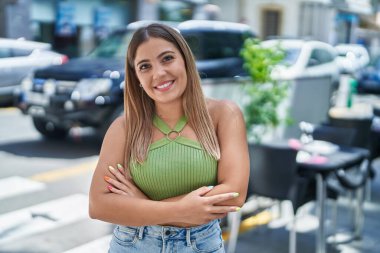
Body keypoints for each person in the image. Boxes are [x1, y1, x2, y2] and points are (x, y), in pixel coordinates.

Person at [89, 23, 249, 253]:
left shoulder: (224, 114)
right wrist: (181, 210)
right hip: (133, 244)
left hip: (201, 245)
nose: (159, 73)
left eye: (167, 59)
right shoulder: (124, 128)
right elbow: (98, 205)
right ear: (137, 79)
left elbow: (233, 194)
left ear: (185, 59)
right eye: (145, 66)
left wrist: (140, 205)